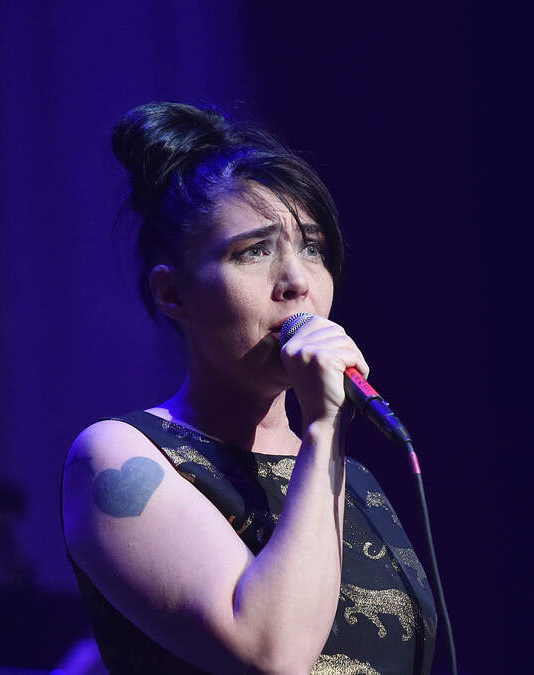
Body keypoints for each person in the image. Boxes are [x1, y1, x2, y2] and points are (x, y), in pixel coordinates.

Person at [61, 102, 436, 674]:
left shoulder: (352, 479)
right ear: (173, 294)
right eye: (254, 251)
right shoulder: (118, 455)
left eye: (312, 248)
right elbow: (272, 656)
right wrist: (324, 427)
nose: (297, 281)